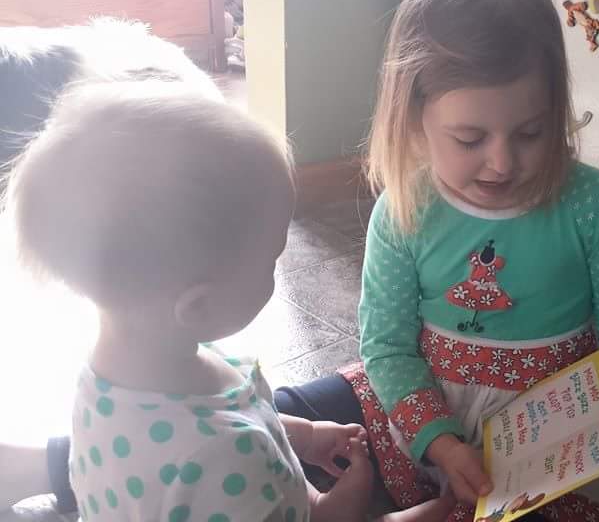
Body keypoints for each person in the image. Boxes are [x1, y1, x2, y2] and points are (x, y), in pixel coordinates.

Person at [2, 80, 452, 522]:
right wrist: (341, 511)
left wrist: (306, 435)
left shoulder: (111, 380)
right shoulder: (221, 456)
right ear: (198, 306)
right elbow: (236, 451)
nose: (277, 267)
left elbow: (241, 409)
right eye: (271, 259)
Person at [339, 0, 599, 520]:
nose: (501, 163)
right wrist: (439, 441)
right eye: (469, 139)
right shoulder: (405, 210)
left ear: (555, 107)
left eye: (531, 133)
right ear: (415, 114)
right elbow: (387, 347)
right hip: (430, 408)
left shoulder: (595, 203)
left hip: (551, 434)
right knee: (301, 424)